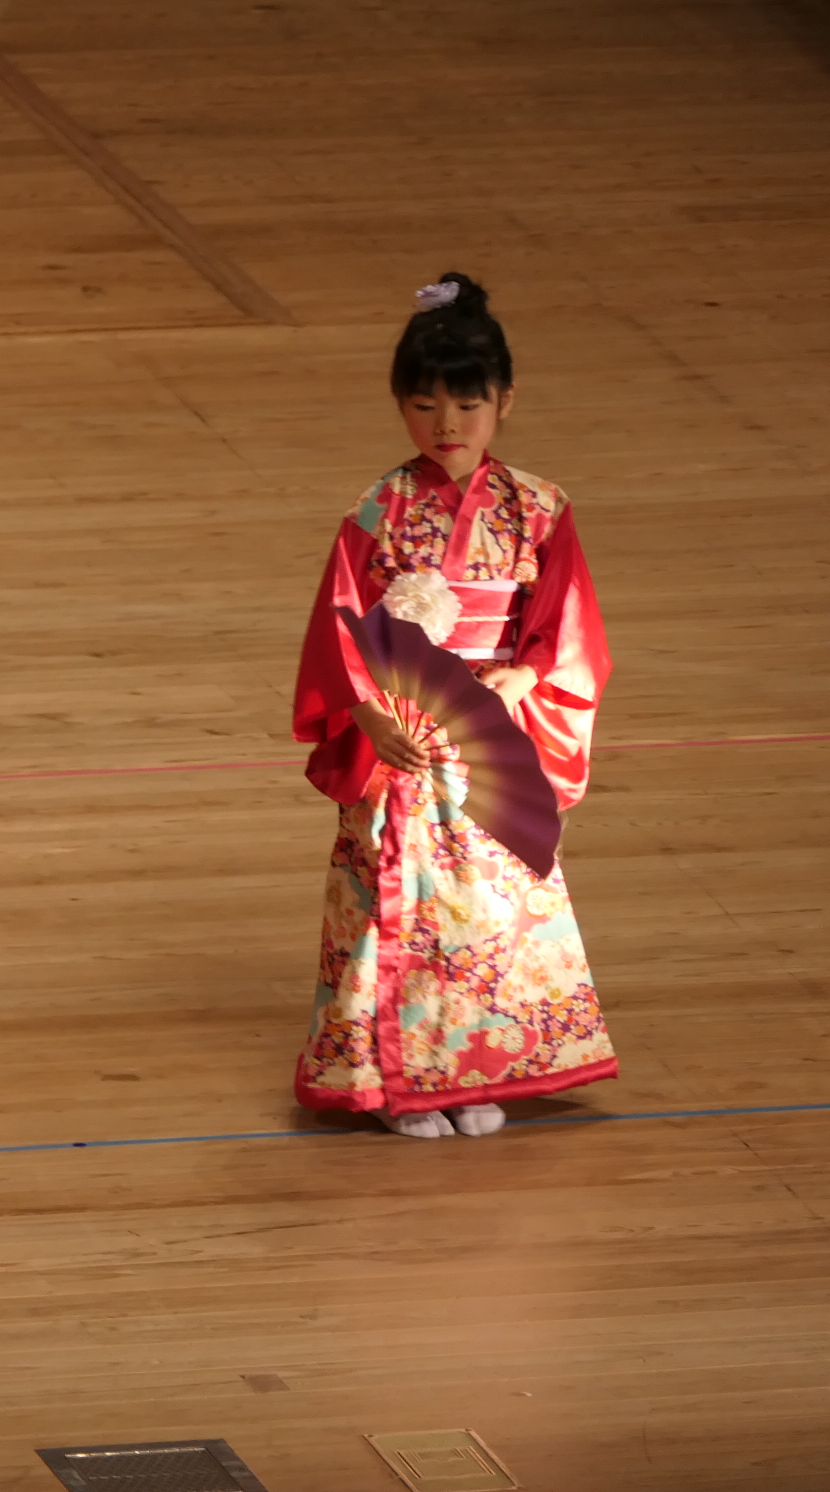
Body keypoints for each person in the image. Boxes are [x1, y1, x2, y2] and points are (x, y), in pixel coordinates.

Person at [291, 276, 616, 1137]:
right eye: (425, 404)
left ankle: (472, 1070)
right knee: (394, 901)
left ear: (505, 401)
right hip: (404, 733)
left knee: (490, 910)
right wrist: (368, 714)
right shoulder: (378, 509)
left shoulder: (540, 509)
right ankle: (392, 1081)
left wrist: (527, 677)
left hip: (491, 734)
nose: (447, 424)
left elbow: (567, 622)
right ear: (401, 404)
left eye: (468, 405)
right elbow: (341, 623)